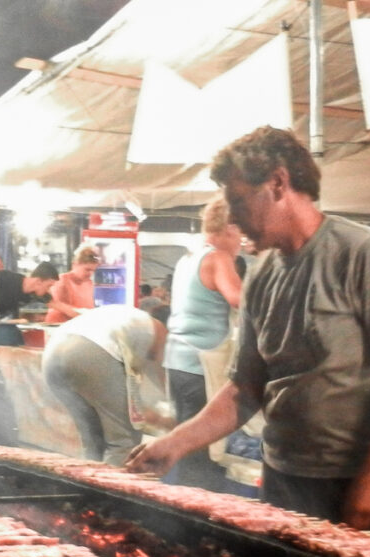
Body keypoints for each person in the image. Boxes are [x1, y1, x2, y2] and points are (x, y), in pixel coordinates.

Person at [126, 126, 370, 530]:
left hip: (350, 480)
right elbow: (245, 388)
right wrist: (173, 444)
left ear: (277, 183)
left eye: (238, 200)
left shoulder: (366, 254)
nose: (232, 217)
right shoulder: (262, 276)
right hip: (282, 474)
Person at [163, 197, 242, 490]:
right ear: (230, 228)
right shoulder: (218, 257)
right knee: (200, 449)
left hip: (178, 362)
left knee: (185, 441)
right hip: (201, 365)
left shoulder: (188, 259)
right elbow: (238, 298)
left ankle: (180, 510)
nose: (241, 243)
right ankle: (194, 515)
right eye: (241, 234)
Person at [41, 304, 169, 466]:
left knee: (94, 440)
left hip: (52, 354)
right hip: (89, 352)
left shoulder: (130, 319)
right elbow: (164, 380)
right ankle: (111, 491)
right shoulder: (159, 330)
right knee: (124, 442)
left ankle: (87, 489)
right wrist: (175, 420)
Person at [0, 260, 59, 345]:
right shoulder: (4, 278)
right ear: (38, 281)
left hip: (9, 330)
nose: (48, 290)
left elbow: (59, 305)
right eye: (48, 286)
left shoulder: (38, 294)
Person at [43, 244, 99, 323]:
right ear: (75, 264)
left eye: (93, 270)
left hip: (80, 325)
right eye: (87, 269)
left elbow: (90, 307)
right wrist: (85, 315)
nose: (90, 274)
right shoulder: (61, 280)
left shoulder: (89, 284)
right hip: (60, 326)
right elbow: (58, 306)